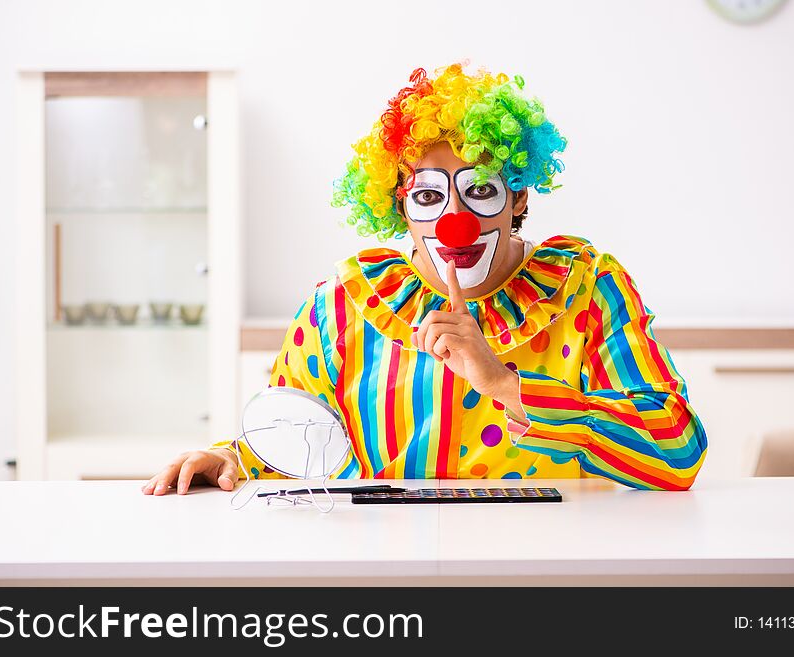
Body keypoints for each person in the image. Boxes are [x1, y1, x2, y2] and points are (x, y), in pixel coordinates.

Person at [142, 62, 708, 497]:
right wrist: (236, 457)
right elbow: (298, 432)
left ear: (517, 198)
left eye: (481, 190)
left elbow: (677, 450)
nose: (453, 221)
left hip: (550, 567)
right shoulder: (344, 305)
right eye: (429, 196)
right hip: (387, 573)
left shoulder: (588, 289)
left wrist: (508, 386)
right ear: (400, 209)